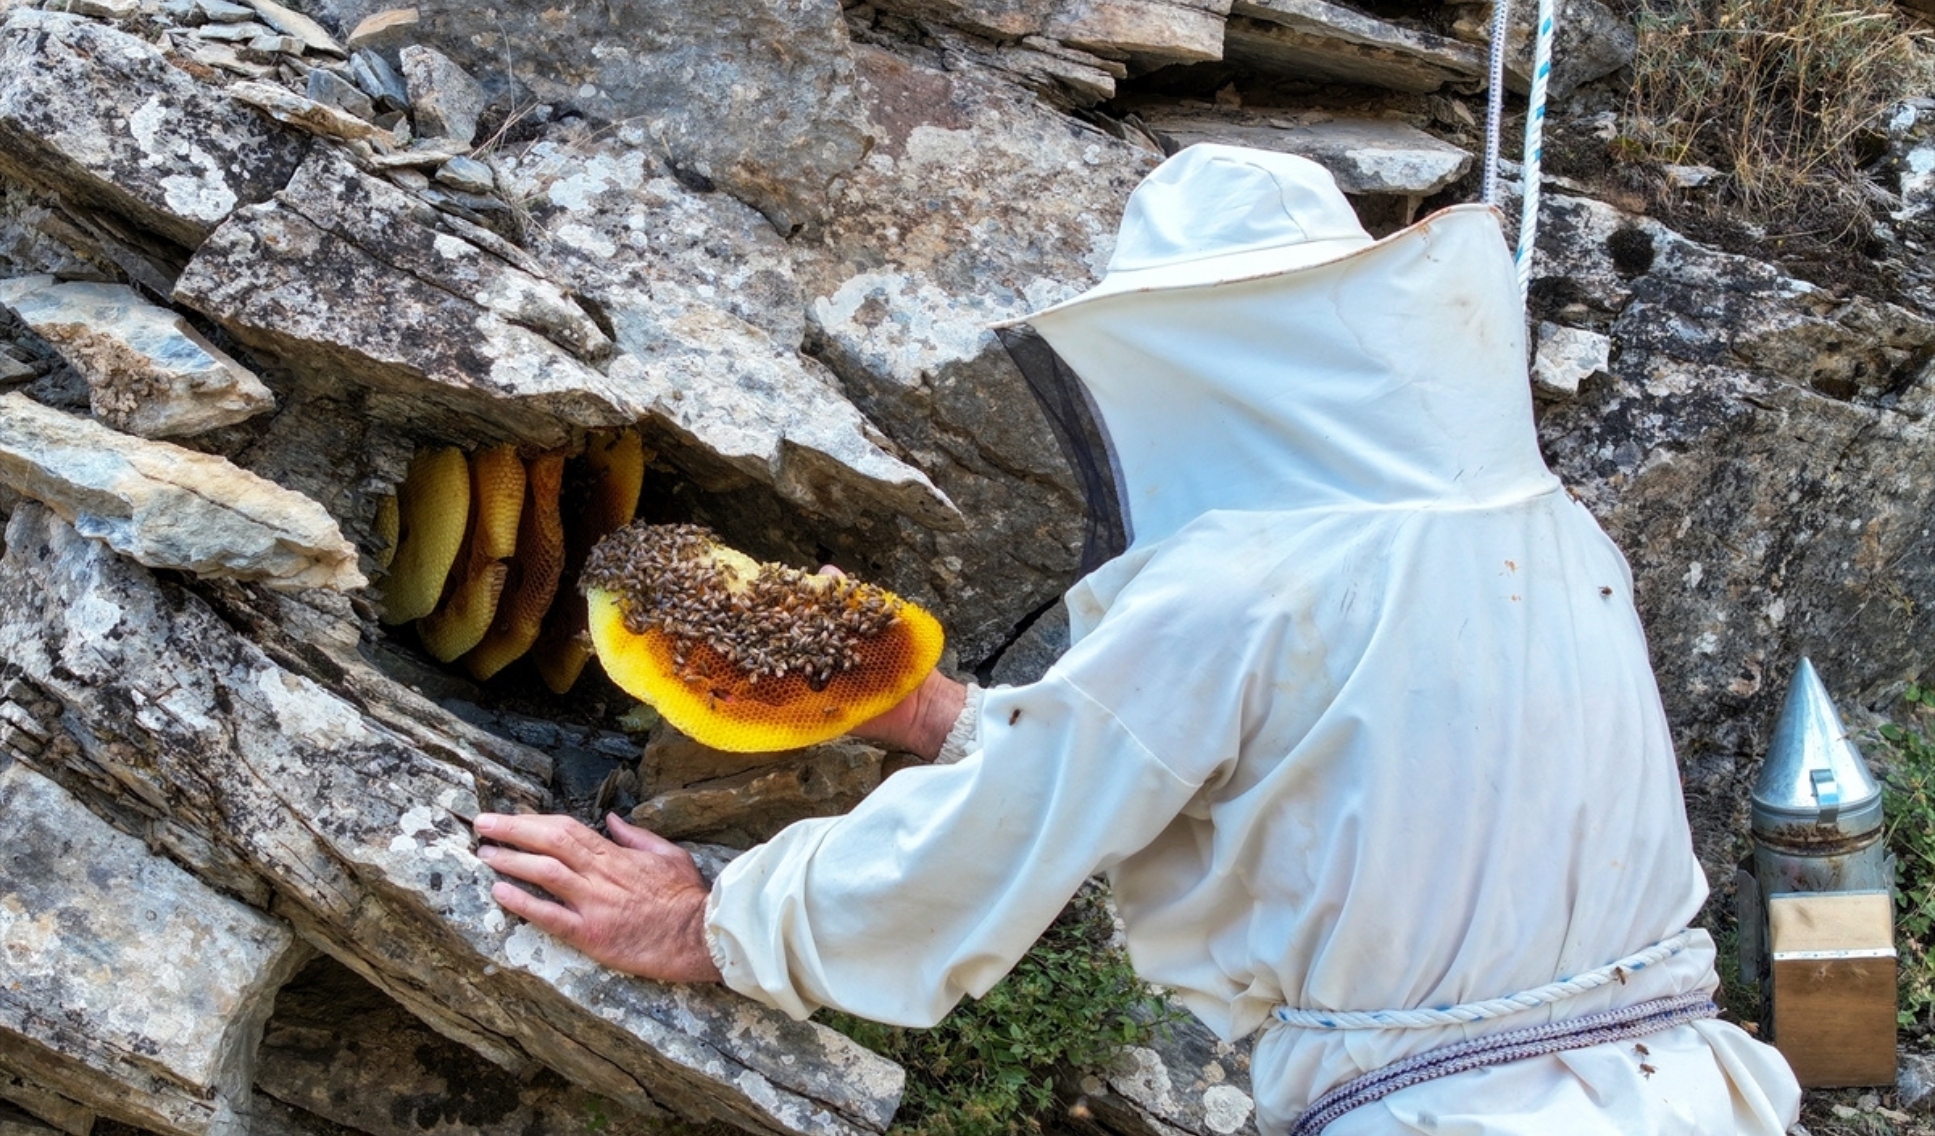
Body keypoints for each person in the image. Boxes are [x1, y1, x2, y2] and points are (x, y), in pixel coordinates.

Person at [472, 144, 1803, 1134]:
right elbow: (1316, 773)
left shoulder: (1245, 584)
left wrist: (721, 923)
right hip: (1696, 1088)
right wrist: (940, 715)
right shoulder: (1555, 535)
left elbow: (1015, 827)